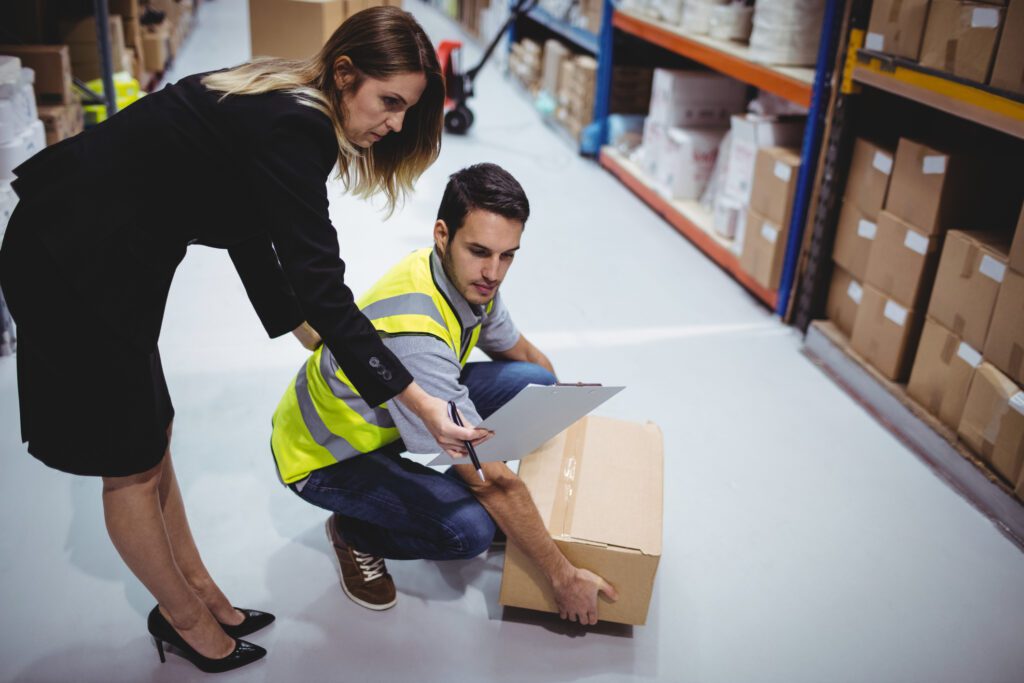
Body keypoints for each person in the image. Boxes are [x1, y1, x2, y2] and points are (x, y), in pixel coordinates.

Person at [0, 7, 488, 674]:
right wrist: (417, 399)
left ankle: (201, 592)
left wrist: (307, 333)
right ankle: (183, 617)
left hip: (109, 256)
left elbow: (249, 223)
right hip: (72, 260)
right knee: (131, 466)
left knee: (153, 436)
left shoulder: (283, 88)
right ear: (346, 75)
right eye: (390, 102)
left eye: (408, 108)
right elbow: (323, 283)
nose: (395, 124)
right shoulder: (299, 127)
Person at [270, 163, 619, 626]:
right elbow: (491, 480)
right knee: (468, 531)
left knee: (530, 381)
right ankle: (354, 534)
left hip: (388, 417)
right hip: (328, 454)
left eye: (507, 255)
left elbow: (525, 356)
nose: (493, 272)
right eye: (480, 251)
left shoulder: (467, 280)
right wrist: (562, 575)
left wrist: (567, 415)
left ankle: (434, 487)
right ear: (442, 234)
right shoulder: (417, 332)